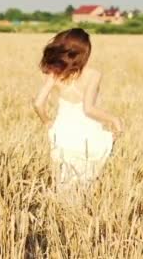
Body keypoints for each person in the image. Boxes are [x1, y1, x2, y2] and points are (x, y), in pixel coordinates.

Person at [33, 28, 123, 191]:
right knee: (86, 183)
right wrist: (114, 120)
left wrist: (46, 122)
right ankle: (78, 214)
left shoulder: (55, 73)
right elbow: (88, 109)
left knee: (64, 182)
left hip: (62, 132)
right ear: (84, 52)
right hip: (86, 133)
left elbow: (38, 103)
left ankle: (61, 213)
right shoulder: (93, 74)